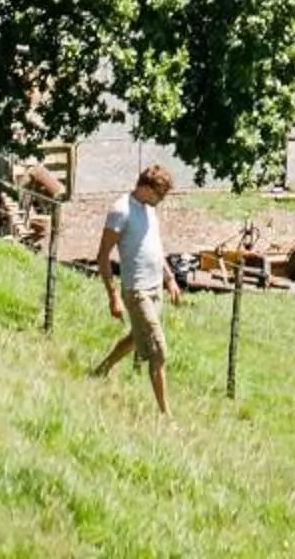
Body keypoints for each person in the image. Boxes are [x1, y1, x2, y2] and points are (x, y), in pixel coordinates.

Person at [92, 164, 179, 413]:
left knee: (135, 338)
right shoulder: (121, 210)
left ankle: (102, 369)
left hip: (155, 289)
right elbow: (103, 256)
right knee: (158, 350)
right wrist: (114, 297)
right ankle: (166, 414)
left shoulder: (149, 210)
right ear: (146, 187)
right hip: (137, 290)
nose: (161, 201)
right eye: (159, 195)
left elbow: (156, 249)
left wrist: (170, 279)